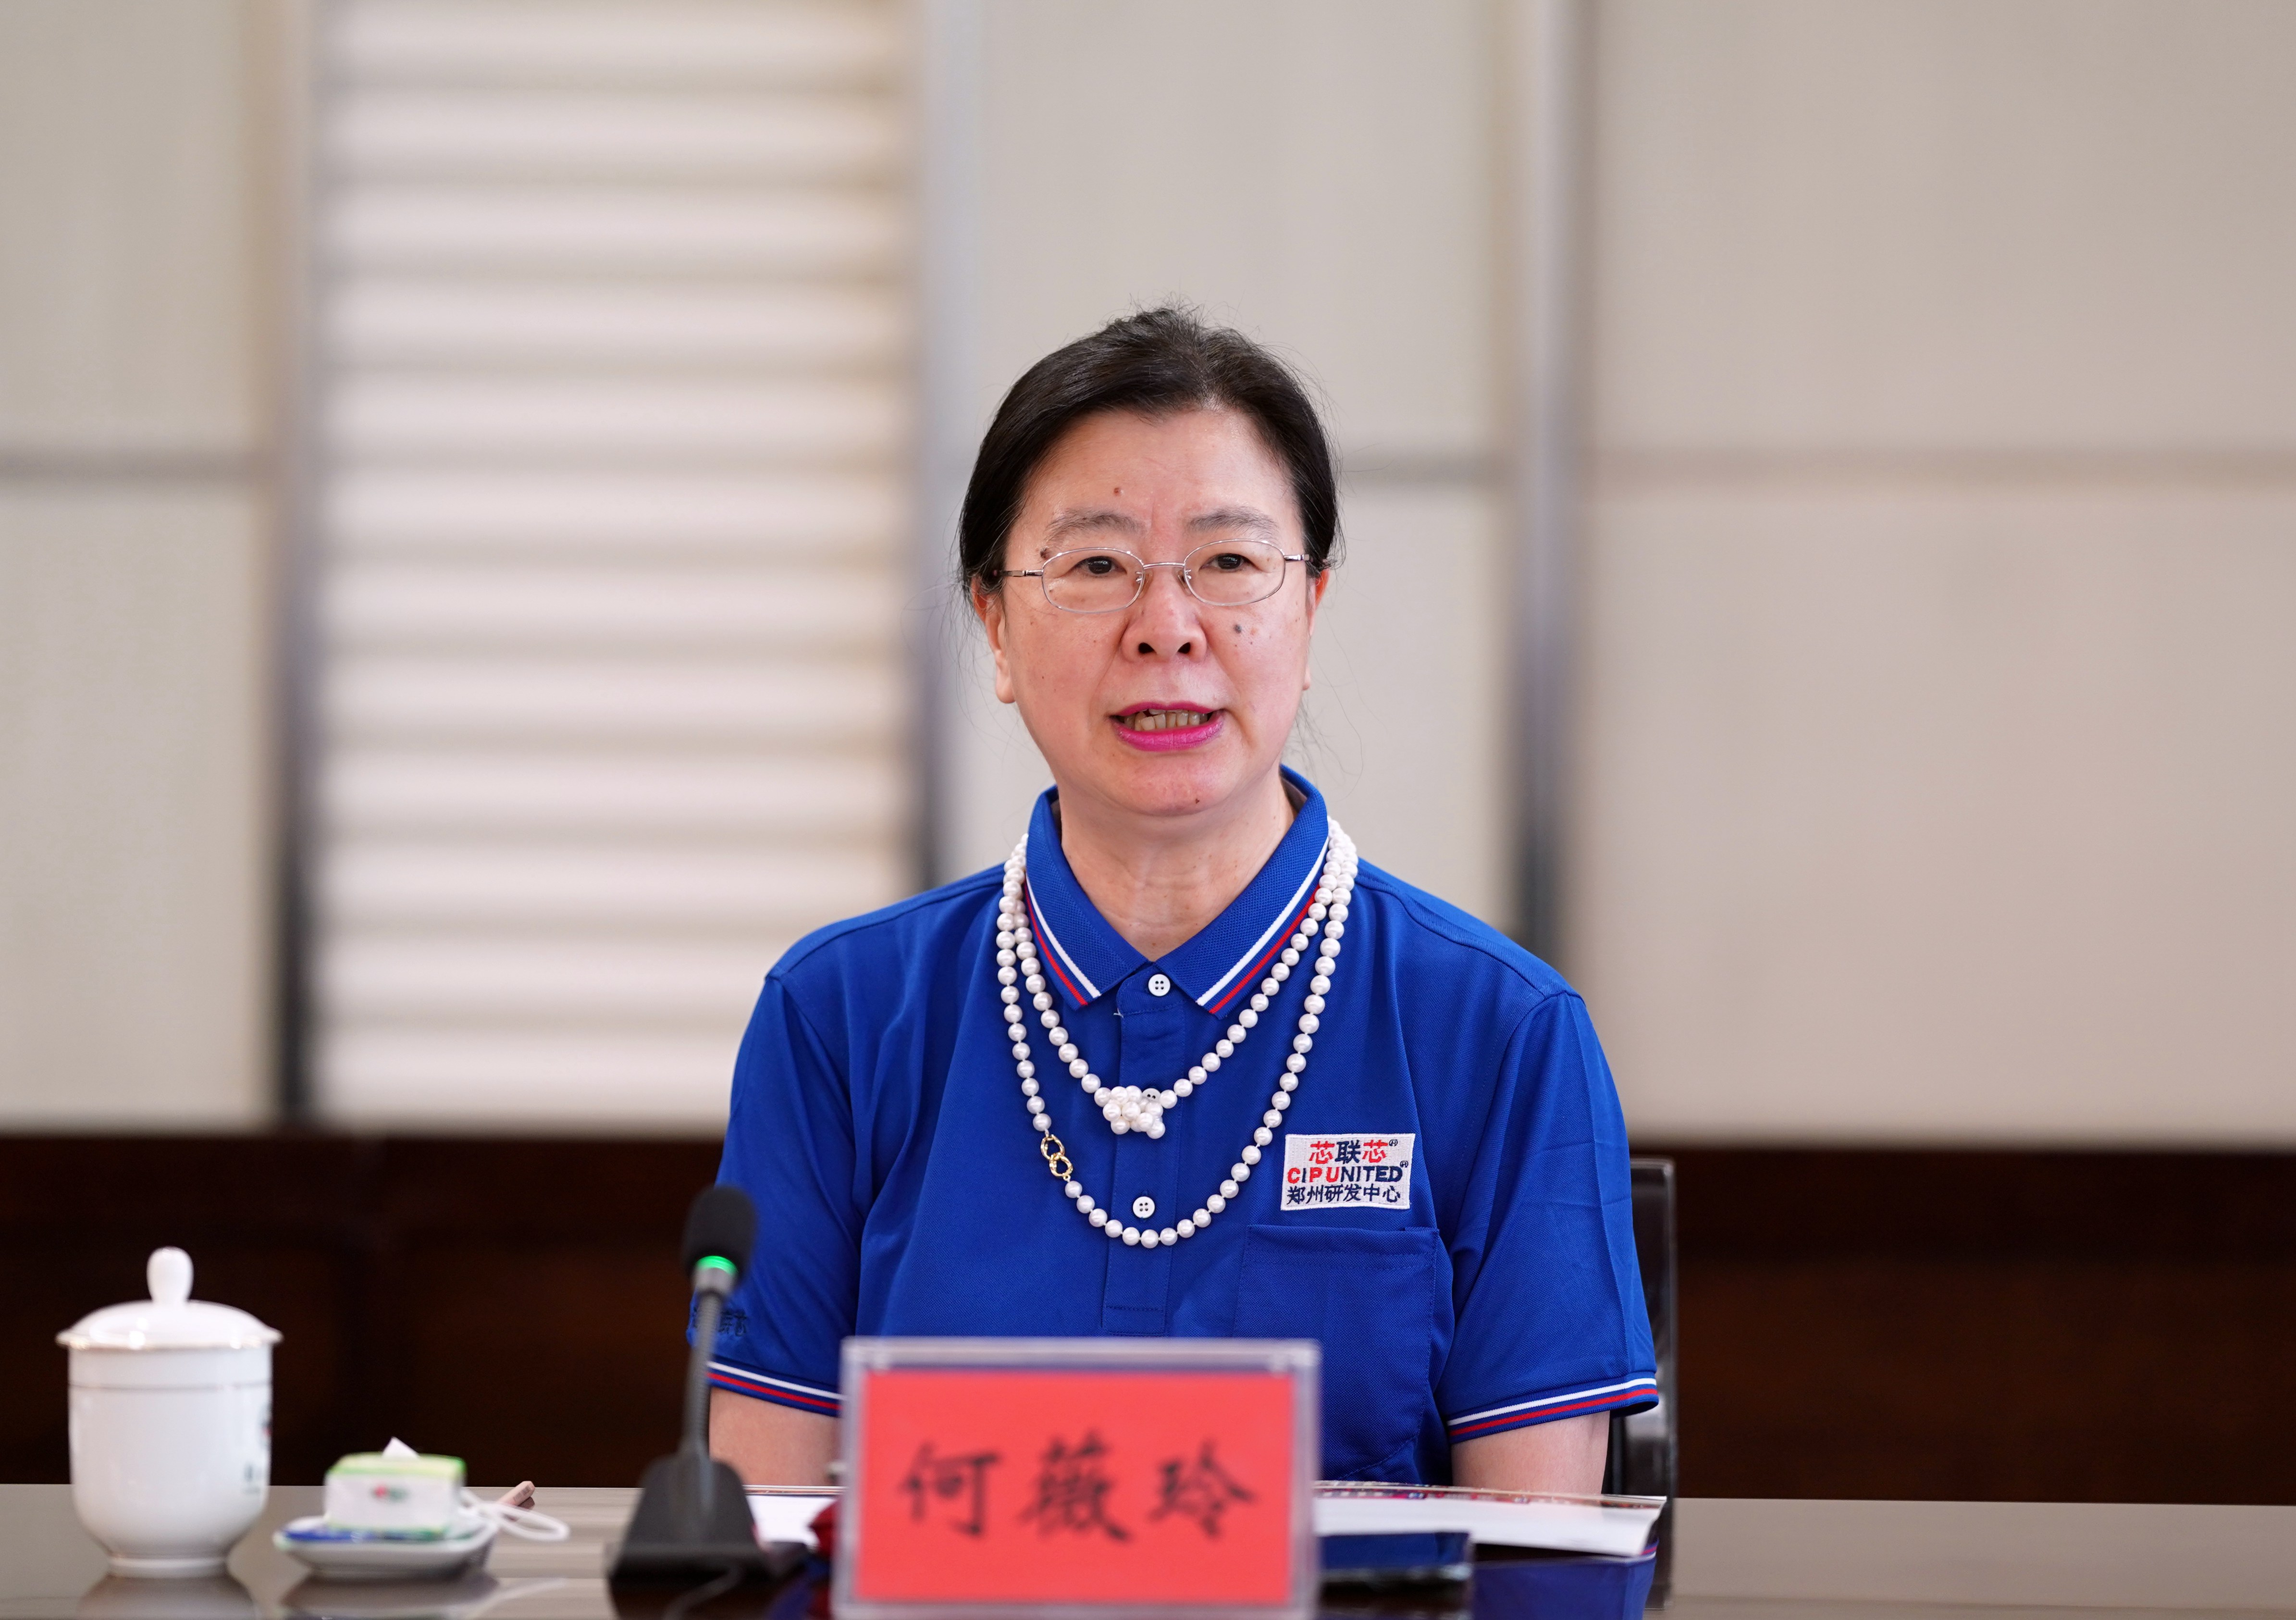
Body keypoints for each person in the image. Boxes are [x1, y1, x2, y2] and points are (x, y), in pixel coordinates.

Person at [704, 308, 1655, 1491]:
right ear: (994, 624)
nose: (1166, 630)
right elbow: (767, 1521)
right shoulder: (839, 1015)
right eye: (1095, 566)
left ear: (1309, 610)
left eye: (1230, 564)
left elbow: (1536, 1556)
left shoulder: (1501, 1032)